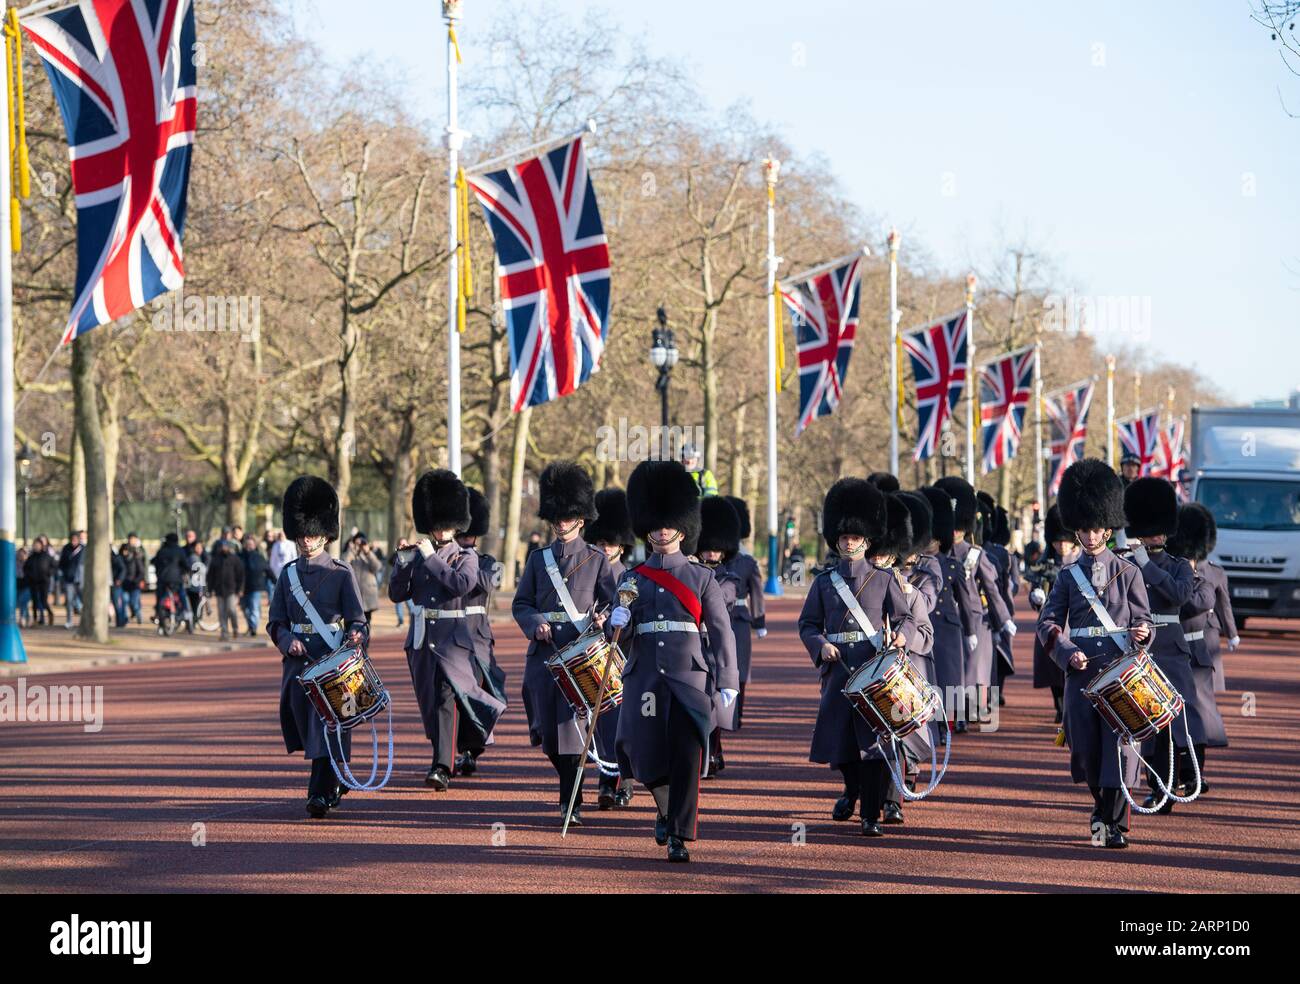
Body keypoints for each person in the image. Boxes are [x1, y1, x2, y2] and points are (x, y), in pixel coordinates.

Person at [612, 459, 738, 863]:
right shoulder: (631, 579)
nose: (662, 530)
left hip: (688, 678)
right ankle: (666, 810)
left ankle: (680, 835)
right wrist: (616, 622)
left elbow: (721, 631)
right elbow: (618, 637)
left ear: (682, 527)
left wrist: (729, 679)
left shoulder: (701, 578)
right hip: (645, 677)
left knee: (686, 756)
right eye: (656, 523)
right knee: (643, 754)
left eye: (669, 523)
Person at [1036, 458, 1152, 848]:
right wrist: (1067, 652)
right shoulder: (1068, 576)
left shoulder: (1129, 572)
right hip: (1082, 674)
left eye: (1095, 528)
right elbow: (1048, 623)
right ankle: (1100, 806)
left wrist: (1142, 632)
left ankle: (1112, 823)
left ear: (1108, 527)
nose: (1089, 535)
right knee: (1085, 750)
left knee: (1119, 747)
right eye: (1083, 528)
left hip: (1120, 671)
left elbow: (1144, 620)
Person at [798, 477, 915, 837]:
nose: (849, 542)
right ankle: (852, 788)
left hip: (873, 668)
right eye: (844, 536)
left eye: (855, 536)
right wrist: (820, 645)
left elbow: (905, 618)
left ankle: (871, 814)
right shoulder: (823, 582)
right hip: (837, 672)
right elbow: (807, 623)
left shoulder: (884, 579)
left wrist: (900, 637)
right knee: (841, 742)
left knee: (875, 744)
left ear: (867, 538)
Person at [513, 462, 617, 826]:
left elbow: (612, 601)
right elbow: (521, 603)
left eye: (568, 516)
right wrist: (535, 622)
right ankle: (569, 782)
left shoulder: (596, 559)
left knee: (572, 730)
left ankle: (570, 800)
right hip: (543, 654)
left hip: (579, 654)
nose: (561, 523)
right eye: (557, 516)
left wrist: (604, 618)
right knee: (545, 732)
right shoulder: (538, 559)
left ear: (581, 519)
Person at [392, 471, 506, 793]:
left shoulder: (467, 556)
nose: (440, 529)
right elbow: (397, 595)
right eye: (436, 523)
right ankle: (452, 748)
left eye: (446, 524)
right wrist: (402, 563)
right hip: (421, 640)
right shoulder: (417, 555)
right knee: (431, 703)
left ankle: (442, 765)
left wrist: (430, 558)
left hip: (455, 640)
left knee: (446, 697)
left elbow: (462, 583)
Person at [267, 476, 369, 819]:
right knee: (313, 726)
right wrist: (286, 641)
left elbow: (357, 619)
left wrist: (356, 637)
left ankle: (318, 794)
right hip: (299, 665)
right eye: (302, 535)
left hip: (332, 660)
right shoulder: (288, 574)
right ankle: (335, 782)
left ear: (325, 535)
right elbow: (275, 622)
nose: (306, 540)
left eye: (312, 534)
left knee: (326, 726)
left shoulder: (342, 573)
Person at [1123, 477, 1211, 812]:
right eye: (1150, 529)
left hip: (1171, 646)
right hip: (1141, 647)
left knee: (1179, 715)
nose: (1156, 535)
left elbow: (1180, 595)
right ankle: (1158, 786)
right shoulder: (1126, 563)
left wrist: (1147, 566)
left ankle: (1184, 775)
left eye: (1160, 529)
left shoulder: (1177, 566)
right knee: (1148, 720)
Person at [933, 477, 1013, 728]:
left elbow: (991, 589)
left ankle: (968, 713)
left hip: (976, 619)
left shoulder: (975, 554)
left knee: (972, 672)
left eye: (959, 526)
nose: (955, 531)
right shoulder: (937, 554)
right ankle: (949, 715)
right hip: (945, 616)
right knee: (948, 669)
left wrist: (1003, 620)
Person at [1168, 502, 1226, 795]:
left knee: (1198, 715)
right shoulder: (1170, 574)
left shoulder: (1205, 579)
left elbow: (1197, 604)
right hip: (1170, 653)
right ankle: (1169, 775)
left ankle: (1195, 774)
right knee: (1167, 714)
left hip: (1197, 654)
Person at [452, 486, 510, 778]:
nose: (465, 540)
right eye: (460, 535)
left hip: (478, 637)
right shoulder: (446, 559)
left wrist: (463, 565)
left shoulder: (487, 561)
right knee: (456, 695)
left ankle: (472, 749)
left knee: (484, 691)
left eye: (468, 536)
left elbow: (487, 584)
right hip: (452, 636)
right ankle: (458, 751)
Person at [586, 486, 637, 808]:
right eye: (601, 541)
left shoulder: (631, 575)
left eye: (611, 542)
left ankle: (624, 780)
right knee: (602, 722)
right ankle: (606, 782)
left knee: (624, 721)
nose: (605, 548)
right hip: (595, 652)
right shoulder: (587, 569)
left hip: (625, 653)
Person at [695, 496, 743, 777]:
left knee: (716, 704)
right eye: (708, 549)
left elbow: (721, 600)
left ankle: (713, 749)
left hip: (714, 645)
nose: (712, 554)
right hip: (692, 643)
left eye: (717, 550)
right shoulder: (691, 571)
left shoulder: (729, 579)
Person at [917, 487, 969, 741]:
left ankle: (949, 720)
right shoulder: (914, 564)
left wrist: (970, 631)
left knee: (949, 679)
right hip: (923, 627)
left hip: (947, 626)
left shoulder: (952, 565)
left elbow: (966, 601)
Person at [1028, 505, 1077, 726]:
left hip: (1073, 621)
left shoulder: (1081, 561)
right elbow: (1034, 588)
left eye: (1065, 541)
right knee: (1050, 666)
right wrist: (1035, 596)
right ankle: (1058, 705)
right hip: (1051, 621)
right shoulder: (1044, 563)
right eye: (1058, 542)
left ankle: (1068, 706)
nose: (1062, 545)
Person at [722, 495, 765, 729]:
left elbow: (756, 592)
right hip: (717, 618)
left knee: (740, 668)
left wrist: (759, 621)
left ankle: (737, 713)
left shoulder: (746, 560)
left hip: (739, 618)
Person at [207, 539, 245, 641]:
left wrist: (240, 589)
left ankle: (235, 629)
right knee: (221, 612)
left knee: (231, 610)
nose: (223, 548)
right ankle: (224, 633)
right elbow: (210, 576)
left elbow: (241, 574)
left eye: (225, 546)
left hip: (231, 589)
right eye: (222, 546)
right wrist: (209, 590)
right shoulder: (215, 559)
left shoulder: (234, 559)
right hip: (219, 590)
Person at [151, 533, 190, 626]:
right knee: (182, 594)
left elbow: (154, 561)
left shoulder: (161, 551)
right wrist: (186, 570)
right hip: (176, 579)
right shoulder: (179, 550)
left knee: (160, 596)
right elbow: (185, 564)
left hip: (162, 579)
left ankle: (157, 613)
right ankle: (185, 611)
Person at [346, 533, 382, 627]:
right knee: (351, 623)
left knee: (366, 623)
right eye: (357, 542)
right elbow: (345, 566)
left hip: (367, 596)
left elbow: (377, 567)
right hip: (353, 593)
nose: (359, 545)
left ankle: (365, 641)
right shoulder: (351, 554)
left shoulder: (369, 555)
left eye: (362, 542)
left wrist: (367, 552)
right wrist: (351, 551)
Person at [239, 535, 271, 637]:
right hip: (242, 588)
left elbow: (268, 569)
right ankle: (251, 626)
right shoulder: (240, 556)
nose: (249, 546)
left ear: (254, 545)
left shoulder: (259, 557)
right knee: (245, 609)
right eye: (247, 544)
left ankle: (253, 629)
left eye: (251, 544)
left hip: (255, 587)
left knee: (254, 608)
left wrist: (276, 581)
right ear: (244, 545)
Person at [24, 536, 56, 627]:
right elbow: (25, 568)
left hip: (44, 582)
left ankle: (50, 614)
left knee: (43, 601)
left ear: (42, 546)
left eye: (38, 545)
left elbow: (54, 566)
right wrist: (29, 576)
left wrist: (49, 573)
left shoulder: (47, 556)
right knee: (34, 601)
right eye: (35, 545)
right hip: (33, 582)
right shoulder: (31, 557)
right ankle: (35, 620)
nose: (36, 546)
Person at [57, 531, 85, 629]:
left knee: (84, 601)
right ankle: (69, 621)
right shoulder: (66, 549)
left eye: (76, 539)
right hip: (69, 580)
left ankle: (84, 621)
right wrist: (63, 574)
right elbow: (61, 563)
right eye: (72, 539)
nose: (74, 541)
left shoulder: (84, 549)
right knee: (69, 600)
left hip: (81, 580)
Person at [120, 533, 148, 625]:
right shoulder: (122, 558)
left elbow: (143, 569)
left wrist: (141, 580)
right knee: (125, 601)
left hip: (135, 584)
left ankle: (138, 614)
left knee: (134, 602)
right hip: (125, 583)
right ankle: (125, 619)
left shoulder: (138, 554)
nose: (125, 552)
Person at [183, 540, 206, 631]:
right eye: (198, 547)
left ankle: (190, 625)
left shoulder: (195, 557)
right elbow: (199, 571)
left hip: (193, 586)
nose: (200, 549)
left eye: (201, 547)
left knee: (193, 607)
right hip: (194, 587)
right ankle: (191, 625)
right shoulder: (194, 558)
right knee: (194, 607)